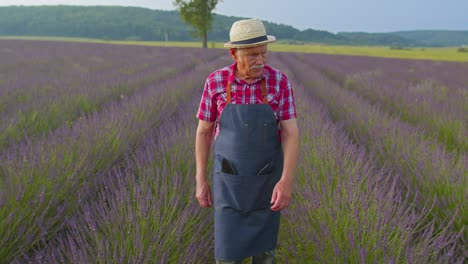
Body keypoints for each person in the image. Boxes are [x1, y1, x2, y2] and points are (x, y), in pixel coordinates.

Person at [195, 18, 299, 264]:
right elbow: (203, 132)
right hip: (228, 185)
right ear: (234, 53)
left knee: (265, 256)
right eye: (253, 55)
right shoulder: (216, 82)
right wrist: (200, 179)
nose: (260, 61)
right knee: (226, 256)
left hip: (266, 184)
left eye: (264, 53)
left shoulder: (279, 82)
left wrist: (286, 182)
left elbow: (291, 133)